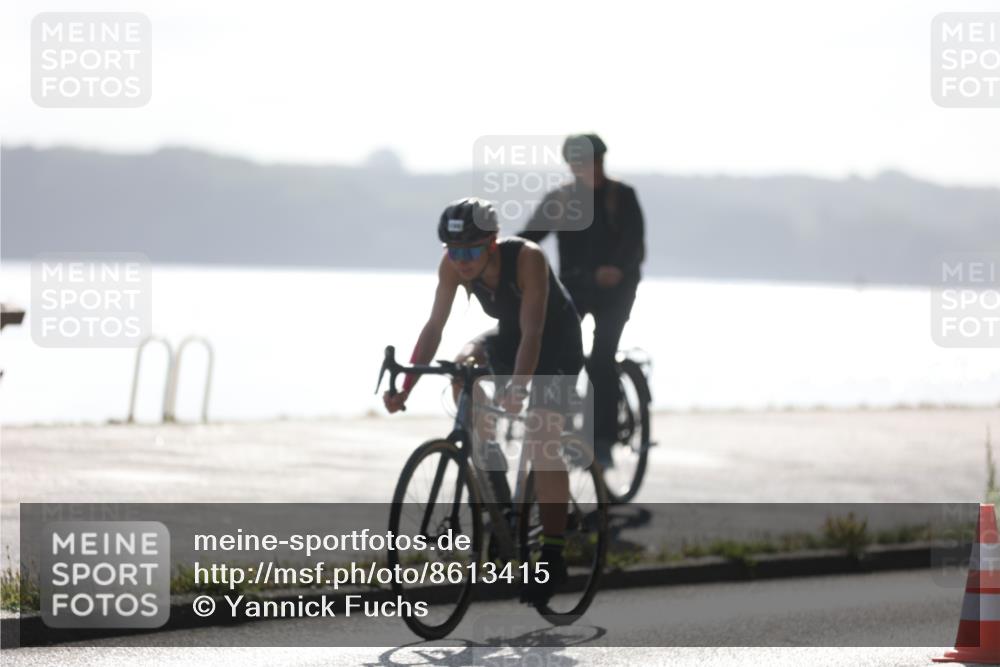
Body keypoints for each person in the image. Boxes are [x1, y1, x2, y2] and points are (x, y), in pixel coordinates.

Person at [383, 196, 584, 603]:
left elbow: (534, 334)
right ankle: (496, 487)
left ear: (492, 243)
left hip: (555, 343)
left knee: (544, 440)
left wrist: (519, 388)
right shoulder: (453, 267)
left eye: (471, 250)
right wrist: (404, 388)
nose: (462, 260)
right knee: (461, 370)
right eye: (453, 251)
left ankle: (554, 550)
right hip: (511, 337)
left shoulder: (527, 259)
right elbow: (434, 327)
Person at [519, 134, 645, 467]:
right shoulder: (559, 199)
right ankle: (560, 424)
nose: (586, 168)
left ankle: (601, 441)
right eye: (578, 163)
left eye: (591, 161)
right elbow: (529, 239)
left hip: (616, 292)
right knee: (560, 356)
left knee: (601, 359)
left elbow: (635, 245)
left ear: (601, 161)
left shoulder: (622, 197)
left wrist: (616, 268)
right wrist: (498, 253)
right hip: (573, 289)